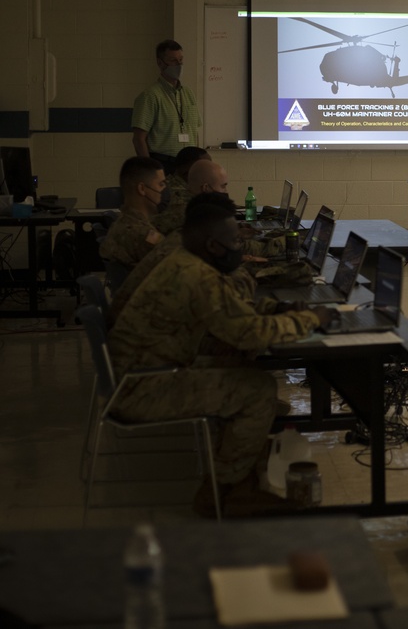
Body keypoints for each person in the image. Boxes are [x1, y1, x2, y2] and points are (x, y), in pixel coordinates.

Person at [108, 194, 332, 517]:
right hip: (141, 389)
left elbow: (233, 312)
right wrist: (313, 319)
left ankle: (241, 480)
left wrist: (277, 308)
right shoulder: (196, 275)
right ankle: (228, 494)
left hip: (143, 373)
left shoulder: (186, 260)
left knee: (238, 364)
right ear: (214, 246)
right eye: (235, 241)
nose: (240, 247)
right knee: (258, 391)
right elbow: (248, 332)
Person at [131, 39, 201, 175]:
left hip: (189, 165)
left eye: (181, 60)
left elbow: (194, 131)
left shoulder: (188, 93)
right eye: (173, 61)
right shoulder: (150, 96)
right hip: (163, 164)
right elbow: (139, 139)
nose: (179, 64)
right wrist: (150, 171)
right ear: (160, 63)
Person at [99, 157, 167, 270]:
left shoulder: (122, 222)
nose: (164, 189)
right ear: (142, 189)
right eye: (161, 184)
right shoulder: (143, 234)